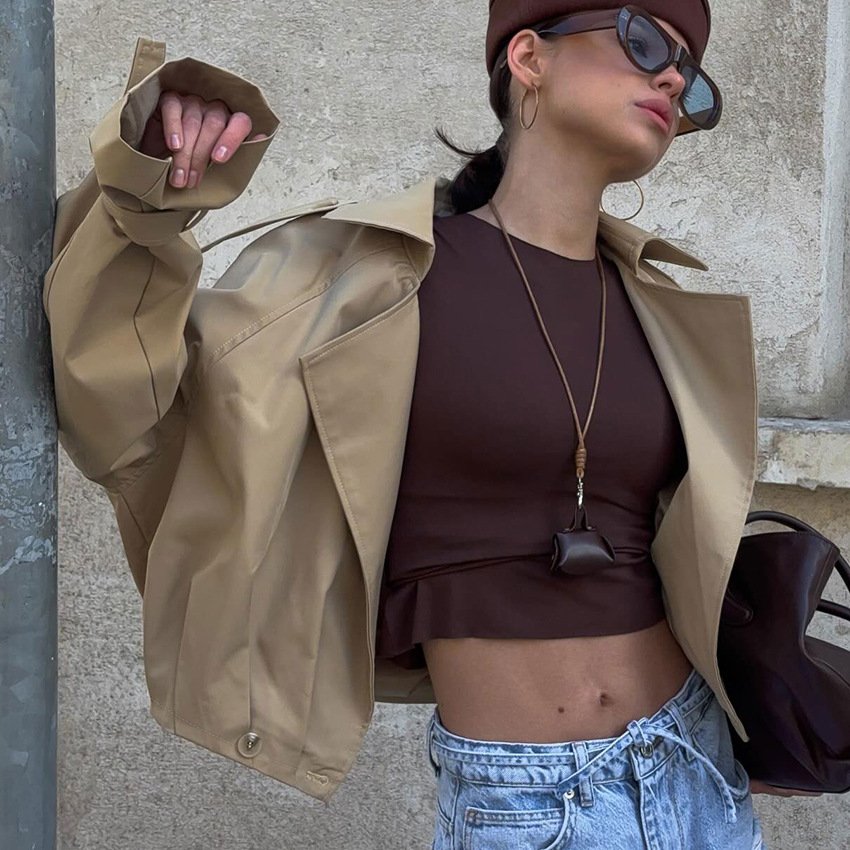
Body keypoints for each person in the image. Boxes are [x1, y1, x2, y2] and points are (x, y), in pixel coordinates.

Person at [43, 3, 820, 848]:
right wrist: (149, 188)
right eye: (643, 42)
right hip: (528, 803)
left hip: (697, 771)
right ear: (529, 58)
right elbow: (121, 409)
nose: (672, 77)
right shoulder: (368, 281)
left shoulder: (658, 307)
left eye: (690, 75)